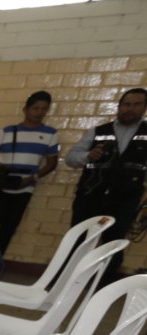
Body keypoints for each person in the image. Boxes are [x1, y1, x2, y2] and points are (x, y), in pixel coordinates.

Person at [65, 87, 147, 282]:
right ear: (119, 107)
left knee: (114, 243)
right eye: (126, 104)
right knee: (79, 239)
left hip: (124, 199)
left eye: (136, 105)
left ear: (144, 109)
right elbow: (70, 158)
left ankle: (102, 287)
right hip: (90, 195)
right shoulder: (98, 131)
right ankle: (67, 281)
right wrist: (88, 155)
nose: (130, 109)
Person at [0, 90, 60, 270]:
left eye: (44, 109)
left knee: (9, 228)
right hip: (0, 185)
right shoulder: (7, 131)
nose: (39, 112)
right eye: (35, 108)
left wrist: (31, 178)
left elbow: (51, 164)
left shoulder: (50, 134)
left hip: (25, 186)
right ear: (26, 109)